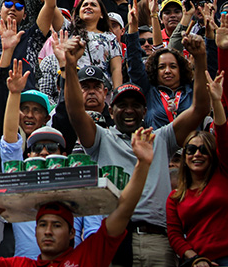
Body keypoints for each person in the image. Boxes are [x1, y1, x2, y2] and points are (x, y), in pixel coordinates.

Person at [64, 33, 210, 267]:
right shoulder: (101, 138)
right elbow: (75, 112)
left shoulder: (161, 138)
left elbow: (200, 108)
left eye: (136, 105)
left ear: (145, 111)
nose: (129, 110)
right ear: (111, 112)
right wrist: (70, 66)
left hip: (157, 241)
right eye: (122, 105)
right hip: (114, 239)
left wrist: (201, 60)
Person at [0, 126, 156, 266]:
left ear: (71, 234)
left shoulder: (87, 257)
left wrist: (143, 164)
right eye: (42, 224)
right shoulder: (22, 264)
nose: (47, 231)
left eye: (57, 225)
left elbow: (123, 209)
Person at [166, 16, 228, 267]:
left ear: (212, 155)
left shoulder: (227, 174)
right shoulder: (176, 196)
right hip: (200, 262)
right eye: (190, 150)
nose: (196, 154)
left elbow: (222, 138)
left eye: (202, 149)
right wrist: (194, 259)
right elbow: (175, 234)